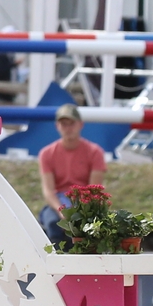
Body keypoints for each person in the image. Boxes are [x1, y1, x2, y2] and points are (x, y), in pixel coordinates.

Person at [38, 102, 108, 244]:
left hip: (84, 202)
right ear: (57, 126)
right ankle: (55, 258)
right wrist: (61, 210)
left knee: (88, 227)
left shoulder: (95, 152)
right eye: (64, 124)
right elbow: (48, 191)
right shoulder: (47, 154)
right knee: (53, 223)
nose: (68, 128)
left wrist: (80, 209)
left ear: (80, 125)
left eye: (72, 123)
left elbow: (94, 189)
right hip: (59, 200)